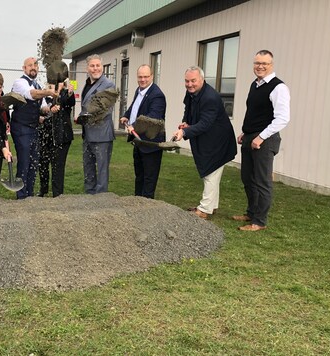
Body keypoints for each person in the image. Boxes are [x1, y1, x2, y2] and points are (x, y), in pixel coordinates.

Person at [233, 50, 291, 231]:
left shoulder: (278, 87)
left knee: (262, 181)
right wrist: (246, 132)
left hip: (265, 140)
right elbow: (255, 113)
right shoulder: (255, 85)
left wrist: (260, 137)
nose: (260, 66)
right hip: (251, 137)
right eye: (257, 63)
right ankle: (251, 212)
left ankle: (259, 221)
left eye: (264, 63)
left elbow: (282, 118)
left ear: (271, 65)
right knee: (247, 178)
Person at [172, 66, 237, 219]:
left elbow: (205, 124)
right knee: (211, 174)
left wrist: (185, 132)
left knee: (211, 173)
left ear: (202, 80)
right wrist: (185, 122)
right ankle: (211, 206)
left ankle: (204, 209)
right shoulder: (191, 94)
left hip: (218, 142)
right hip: (207, 140)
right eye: (187, 81)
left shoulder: (210, 97)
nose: (190, 84)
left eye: (193, 81)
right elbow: (188, 110)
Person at [10, 57, 56, 199]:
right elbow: (31, 95)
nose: (33, 67)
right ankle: (21, 196)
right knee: (24, 163)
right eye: (30, 65)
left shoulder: (37, 84)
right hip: (21, 128)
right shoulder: (20, 83)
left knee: (33, 163)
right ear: (24, 68)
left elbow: (42, 108)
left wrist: (50, 108)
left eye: (35, 65)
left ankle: (29, 194)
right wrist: (48, 92)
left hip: (34, 128)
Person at [119, 64, 166, 199]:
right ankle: (137, 202)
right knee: (139, 175)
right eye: (140, 77)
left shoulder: (157, 95)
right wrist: (126, 115)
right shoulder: (139, 90)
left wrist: (133, 125)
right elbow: (135, 106)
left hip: (151, 144)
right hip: (139, 141)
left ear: (152, 76)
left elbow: (152, 117)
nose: (143, 79)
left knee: (149, 178)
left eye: (146, 76)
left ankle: (147, 207)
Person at [77, 54, 117, 194]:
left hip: (101, 135)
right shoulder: (88, 84)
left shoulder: (108, 85)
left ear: (102, 66)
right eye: (92, 66)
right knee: (88, 170)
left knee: (101, 172)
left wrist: (85, 117)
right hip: (87, 135)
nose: (95, 69)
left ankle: (101, 202)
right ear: (87, 68)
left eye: (98, 65)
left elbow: (105, 109)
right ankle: (89, 198)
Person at [37, 80, 76, 197]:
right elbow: (36, 110)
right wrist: (39, 116)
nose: (53, 87)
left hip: (61, 137)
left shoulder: (63, 95)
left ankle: (57, 194)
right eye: (50, 85)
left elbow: (70, 102)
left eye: (57, 84)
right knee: (42, 164)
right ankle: (43, 190)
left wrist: (69, 93)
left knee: (57, 166)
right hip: (44, 136)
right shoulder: (41, 96)